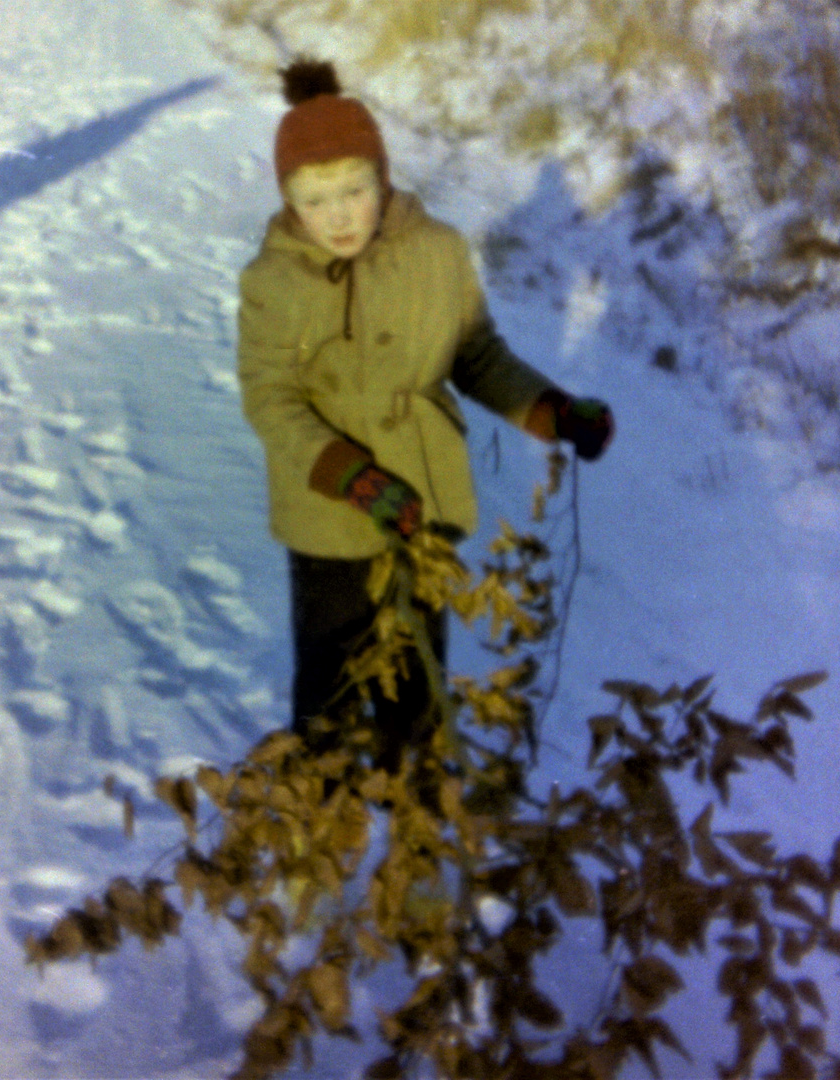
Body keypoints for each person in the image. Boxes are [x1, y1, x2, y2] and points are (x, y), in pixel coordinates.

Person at [237, 59, 614, 771]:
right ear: (289, 203)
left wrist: (553, 413)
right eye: (316, 200)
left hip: (421, 507)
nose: (341, 214)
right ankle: (322, 820)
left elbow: (476, 354)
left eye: (355, 189)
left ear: (383, 176)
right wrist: (349, 476)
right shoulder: (272, 281)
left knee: (416, 672)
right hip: (328, 519)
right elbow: (271, 398)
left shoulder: (438, 254)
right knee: (332, 680)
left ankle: (415, 815)